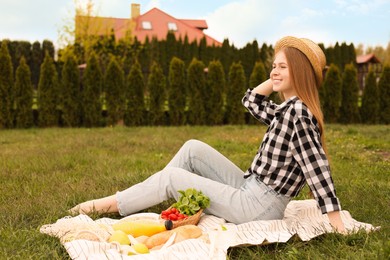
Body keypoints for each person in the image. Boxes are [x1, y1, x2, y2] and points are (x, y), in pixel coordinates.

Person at [70, 36, 345, 233]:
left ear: (301, 72)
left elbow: (317, 169)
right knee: (193, 148)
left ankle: (108, 205)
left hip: (260, 205)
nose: (274, 70)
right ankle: (162, 199)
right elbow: (251, 101)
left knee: (171, 177)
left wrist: (337, 224)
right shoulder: (286, 110)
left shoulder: (298, 113)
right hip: (249, 186)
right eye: (273, 65)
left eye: (282, 66)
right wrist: (277, 78)